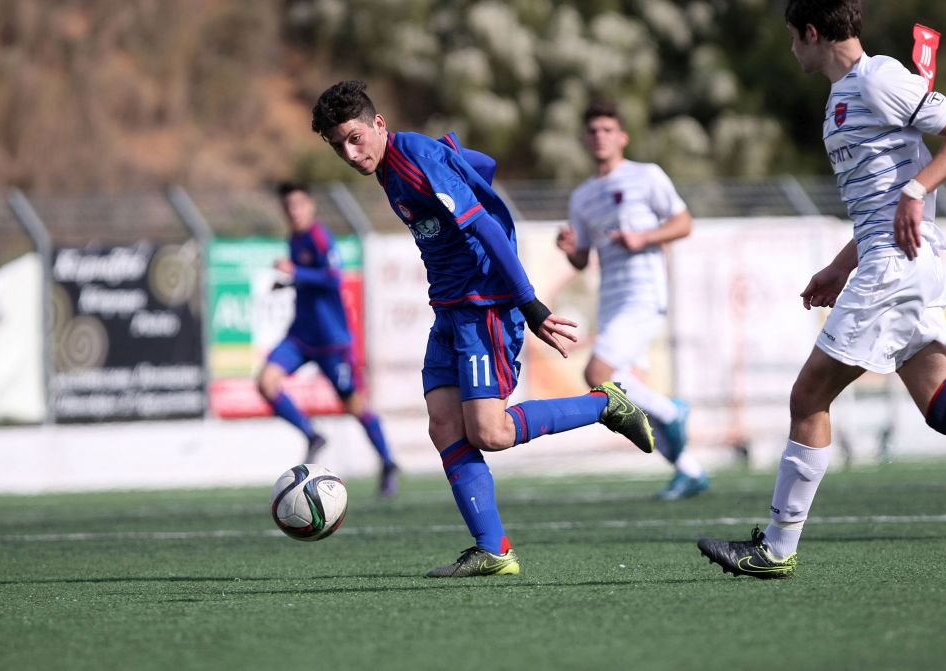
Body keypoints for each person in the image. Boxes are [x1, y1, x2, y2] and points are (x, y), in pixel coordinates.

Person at [698, 0, 946, 579]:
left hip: (894, 266)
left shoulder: (879, 77)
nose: (792, 49)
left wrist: (916, 190)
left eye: (794, 37)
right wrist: (841, 265)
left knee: (808, 397)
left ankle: (776, 550)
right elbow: (877, 206)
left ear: (813, 33)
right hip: (890, 258)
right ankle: (776, 549)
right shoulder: (842, 97)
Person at [311, 80, 657, 577]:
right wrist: (461, 172)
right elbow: (480, 164)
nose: (349, 153)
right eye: (338, 145)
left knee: (490, 433)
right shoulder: (393, 166)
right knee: (443, 425)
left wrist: (530, 306)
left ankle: (605, 404)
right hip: (449, 308)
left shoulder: (414, 158)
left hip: (484, 305)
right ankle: (493, 549)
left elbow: (485, 227)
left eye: (354, 138)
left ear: (378, 124)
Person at [558, 100, 710, 501]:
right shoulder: (582, 196)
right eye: (593, 131)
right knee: (625, 393)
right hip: (610, 299)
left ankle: (673, 411)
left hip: (644, 293)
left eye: (608, 130)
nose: (600, 137)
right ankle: (689, 470)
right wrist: (570, 249)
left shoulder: (646, 176)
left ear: (622, 137)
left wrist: (643, 238)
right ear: (584, 140)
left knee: (597, 375)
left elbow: (683, 222)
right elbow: (581, 258)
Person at [257, 181, 399, 497]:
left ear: (311, 206)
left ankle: (388, 462)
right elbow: (309, 279)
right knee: (266, 382)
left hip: (333, 342)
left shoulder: (319, 236)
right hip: (301, 336)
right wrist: (289, 283)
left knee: (355, 404)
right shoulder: (294, 238)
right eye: (288, 207)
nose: (293, 211)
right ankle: (312, 435)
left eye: (298, 205)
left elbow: (334, 278)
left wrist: (295, 273)